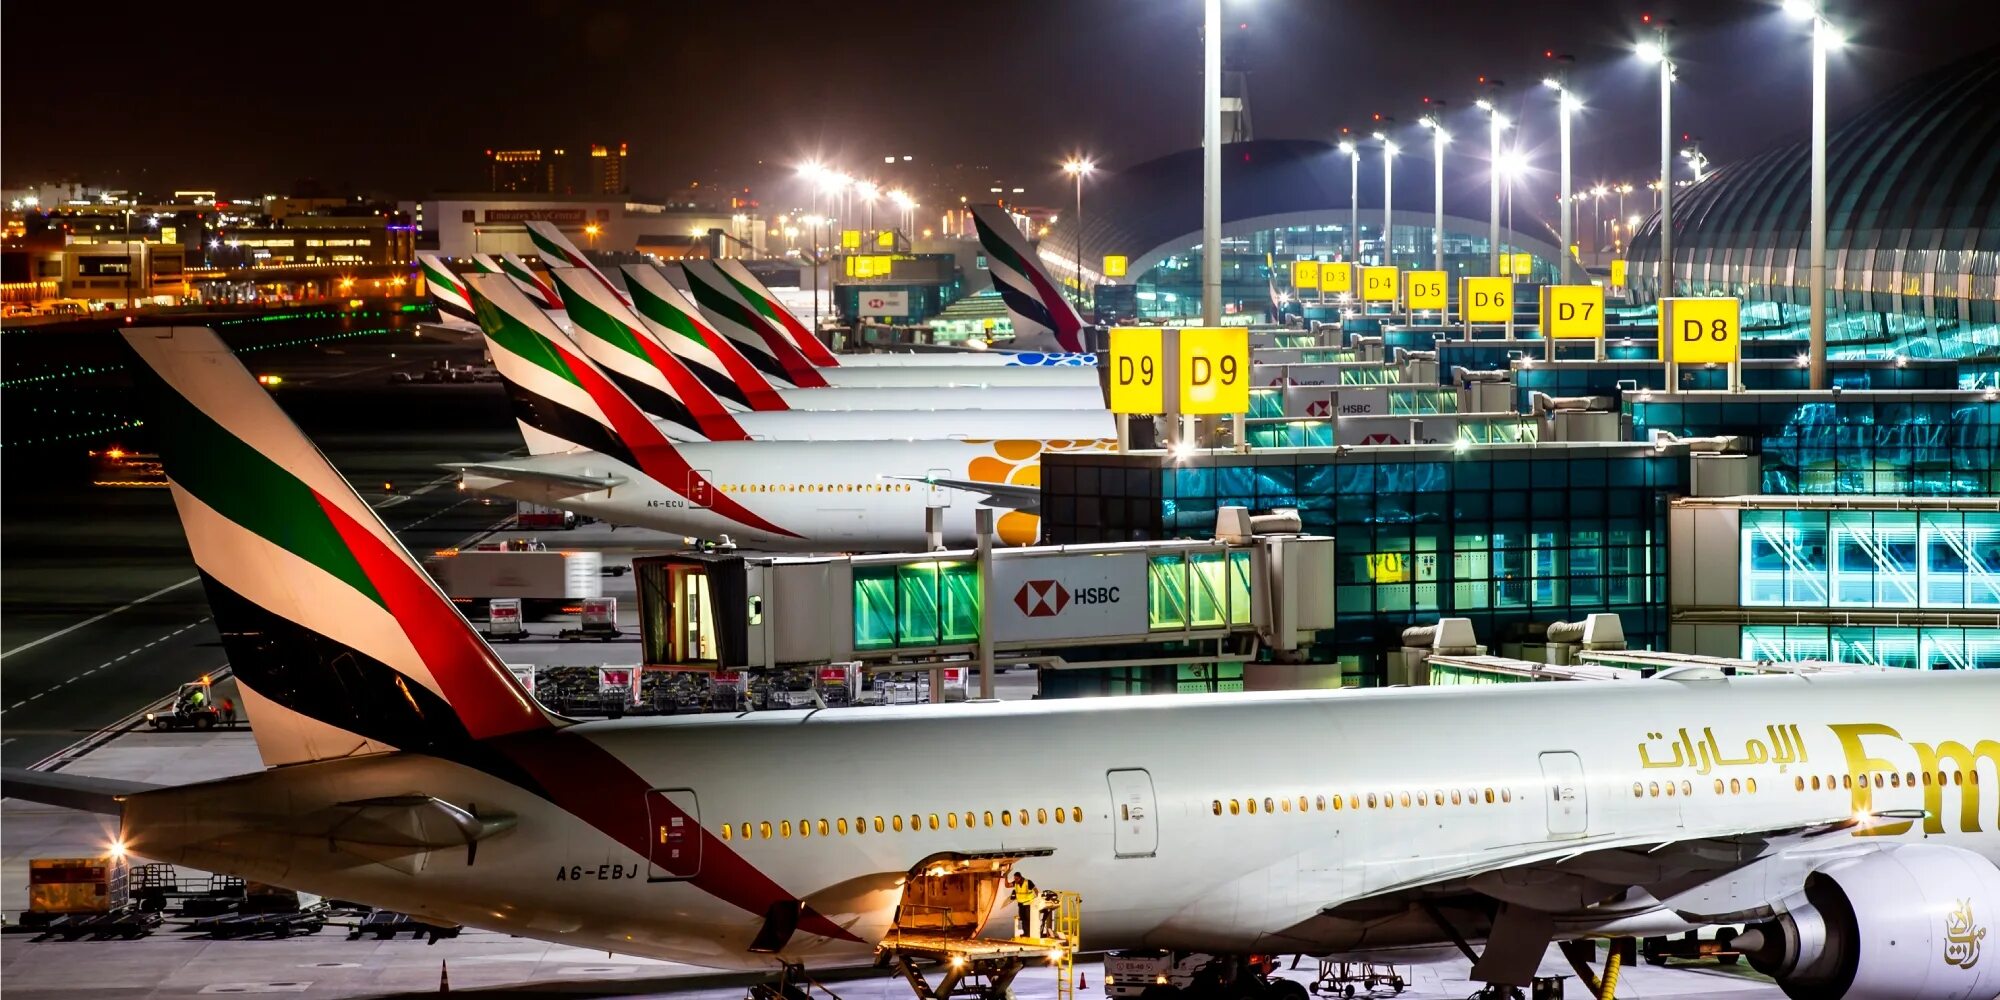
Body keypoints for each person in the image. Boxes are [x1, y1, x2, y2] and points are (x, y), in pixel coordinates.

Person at [1009, 872, 1037, 939]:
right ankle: (1026, 933)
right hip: (1021, 904)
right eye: (1014, 879)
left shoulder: (1028, 882)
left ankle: (1030, 933)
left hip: (1028, 903)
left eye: (1016, 879)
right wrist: (1005, 877)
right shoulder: (1015, 883)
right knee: (1023, 919)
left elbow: (1035, 890)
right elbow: (1007, 885)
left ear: (1020, 877)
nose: (1015, 880)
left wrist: (1036, 899)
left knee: (1028, 919)